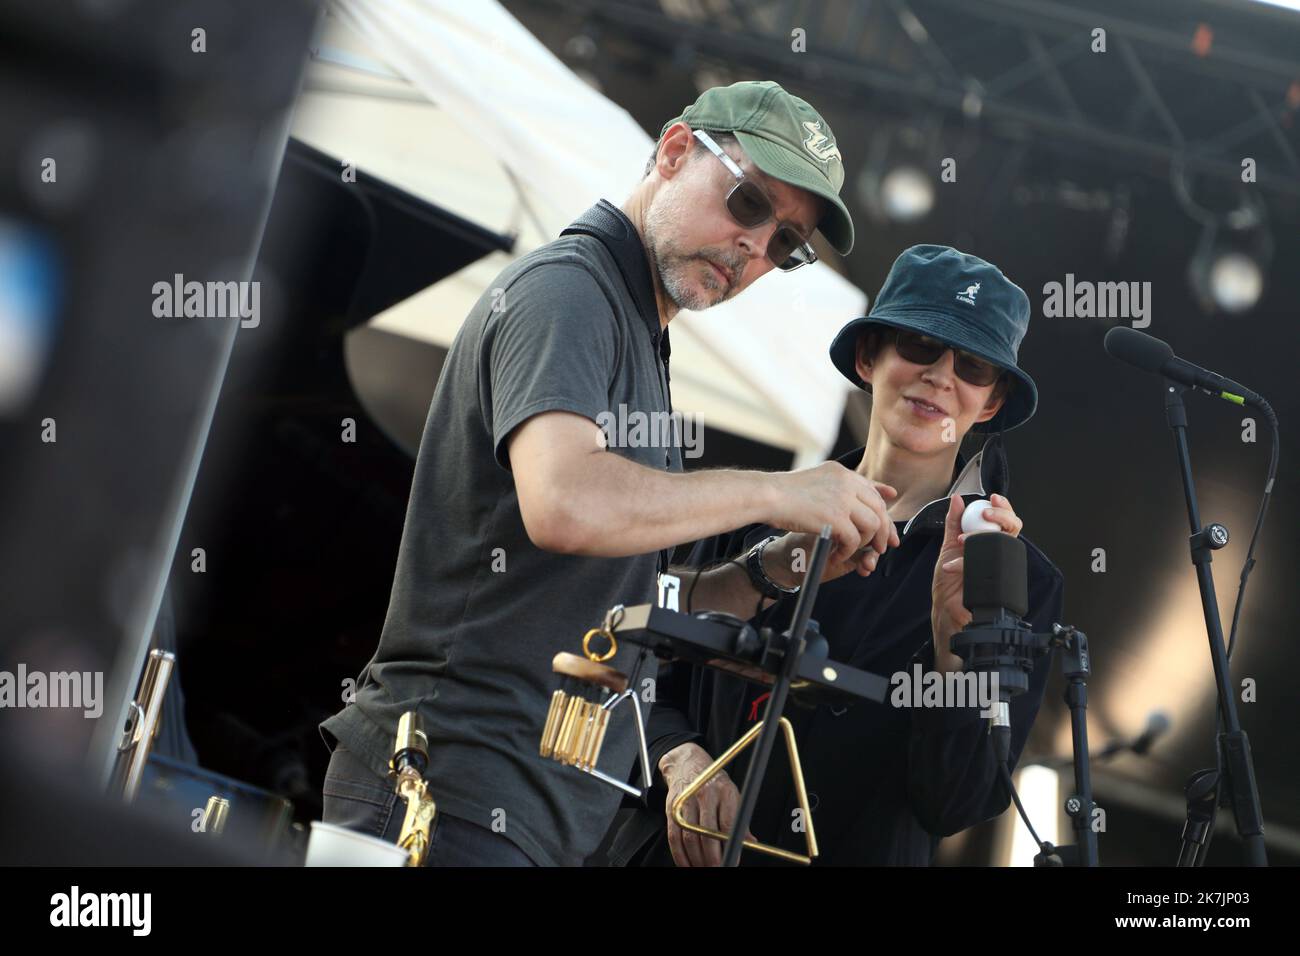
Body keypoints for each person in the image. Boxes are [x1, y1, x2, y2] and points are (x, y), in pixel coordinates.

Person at [317, 81, 905, 866]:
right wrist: (779, 489)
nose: (755, 248)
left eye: (788, 245)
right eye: (749, 203)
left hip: (525, 811)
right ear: (672, 151)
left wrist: (778, 568)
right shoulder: (570, 291)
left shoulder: (637, 329)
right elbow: (563, 503)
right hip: (444, 785)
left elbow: (636, 600)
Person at [603, 245, 1065, 866]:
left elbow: (955, 804)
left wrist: (953, 651)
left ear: (991, 403)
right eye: (921, 345)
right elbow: (635, 651)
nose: (941, 376)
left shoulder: (1016, 577)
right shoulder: (759, 506)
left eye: (974, 366)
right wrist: (678, 752)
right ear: (869, 356)